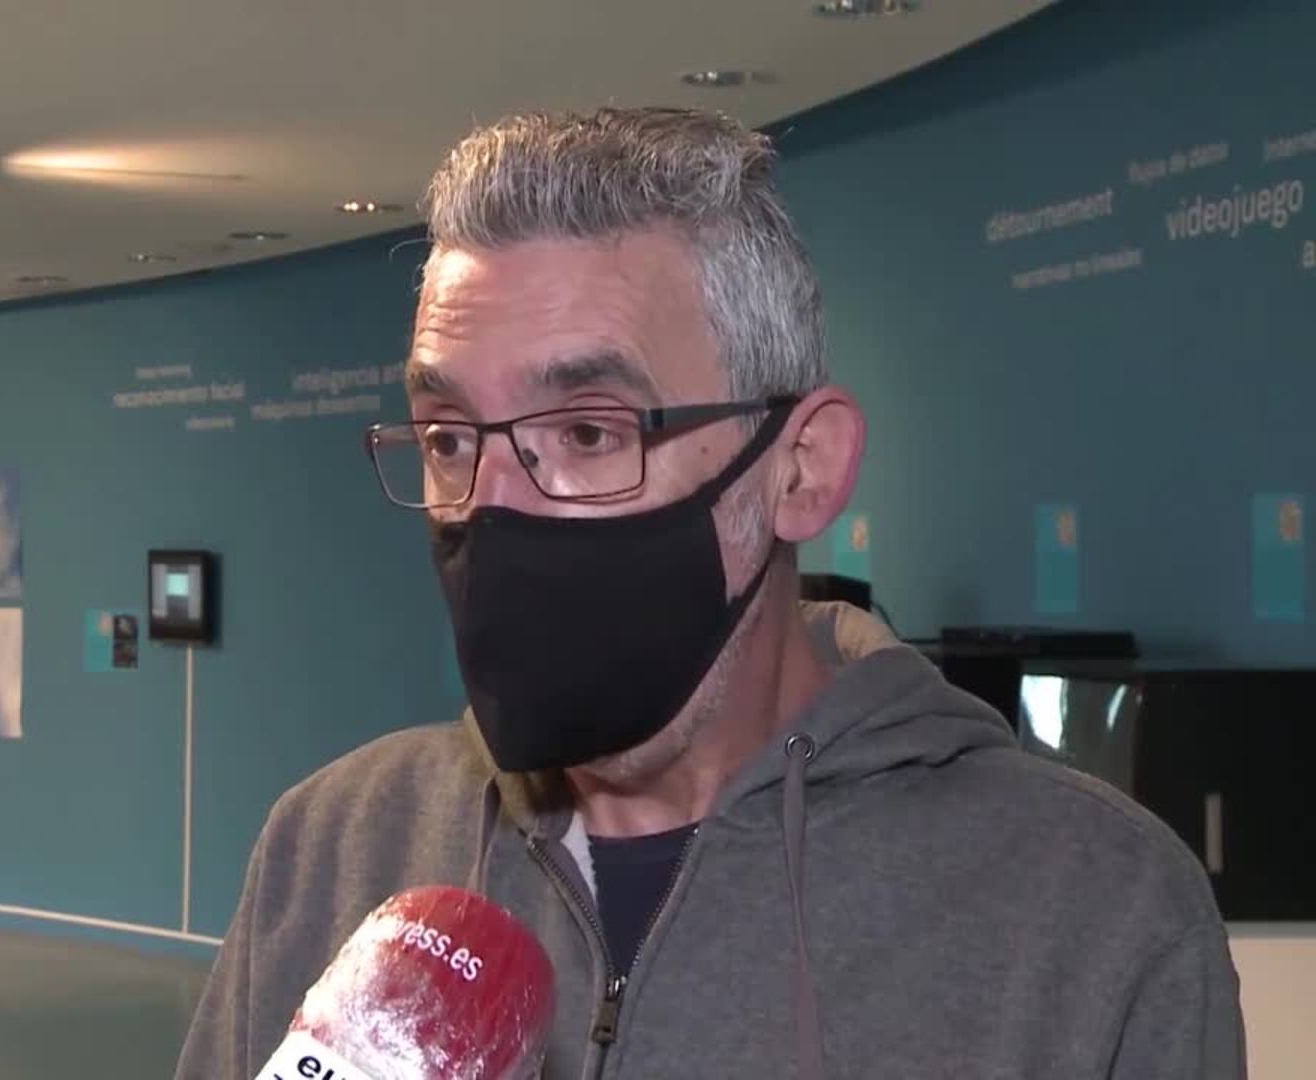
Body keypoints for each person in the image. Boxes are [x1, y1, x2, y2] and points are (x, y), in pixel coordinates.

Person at [175, 107, 1244, 1078]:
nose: (490, 504)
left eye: (587, 432)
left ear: (800, 468)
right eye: (449, 438)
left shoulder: (1092, 914)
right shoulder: (335, 844)